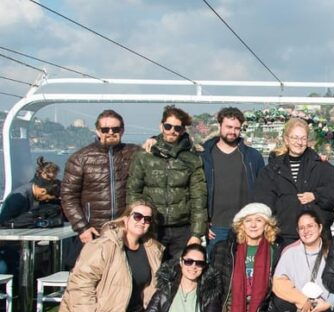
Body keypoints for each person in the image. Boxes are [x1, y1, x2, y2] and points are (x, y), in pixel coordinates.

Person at [55, 201, 164, 312]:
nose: (142, 221)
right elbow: (80, 282)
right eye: (138, 216)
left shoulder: (152, 249)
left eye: (147, 219)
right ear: (126, 219)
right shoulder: (103, 245)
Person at [61, 109, 141, 267]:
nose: (110, 132)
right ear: (97, 130)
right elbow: (68, 196)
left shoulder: (135, 153)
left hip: (126, 230)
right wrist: (82, 227)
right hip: (94, 232)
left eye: (115, 129)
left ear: (122, 130)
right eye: (105, 129)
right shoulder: (80, 158)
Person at [127, 105, 207, 261]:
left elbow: (199, 198)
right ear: (161, 126)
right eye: (168, 126)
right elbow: (133, 192)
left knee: (180, 272)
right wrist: (135, 222)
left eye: (177, 128)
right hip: (151, 226)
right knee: (150, 273)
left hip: (182, 228)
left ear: (183, 130)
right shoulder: (144, 156)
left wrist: (197, 233)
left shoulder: (192, 159)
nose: (172, 131)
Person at [254, 118, 334, 248]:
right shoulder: (271, 170)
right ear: (286, 140)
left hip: (316, 238)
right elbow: (264, 203)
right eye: (295, 138)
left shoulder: (324, 168)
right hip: (283, 238)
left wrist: (316, 196)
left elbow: (331, 196)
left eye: (303, 138)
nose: (299, 142)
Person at [212, 203, 276, 312]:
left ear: (267, 224)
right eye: (248, 221)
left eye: (259, 220)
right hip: (231, 311)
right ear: (241, 224)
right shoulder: (228, 249)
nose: (253, 225)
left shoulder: (274, 251)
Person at [200, 107, 265, 263]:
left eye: (237, 128)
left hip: (246, 226)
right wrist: (203, 222)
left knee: (246, 272)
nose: (233, 132)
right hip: (216, 227)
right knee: (216, 274)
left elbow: (263, 190)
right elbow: (196, 191)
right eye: (229, 127)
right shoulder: (204, 155)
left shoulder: (252, 157)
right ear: (220, 126)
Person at [271, 210, 334, 312]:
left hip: (323, 304)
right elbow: (278, 283)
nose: (306, 231)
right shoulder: (290, 251)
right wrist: (302, 300)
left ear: (319, 228)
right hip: (300, 303)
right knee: (280, 302)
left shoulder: (332, 250)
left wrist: (328, 303)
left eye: (310, 226)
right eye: (301, 228)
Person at [0, 160, 61, 275]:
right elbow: (3, 222)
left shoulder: (37, 192)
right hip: (11, 242)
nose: (47, 200)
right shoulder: (19, 198)